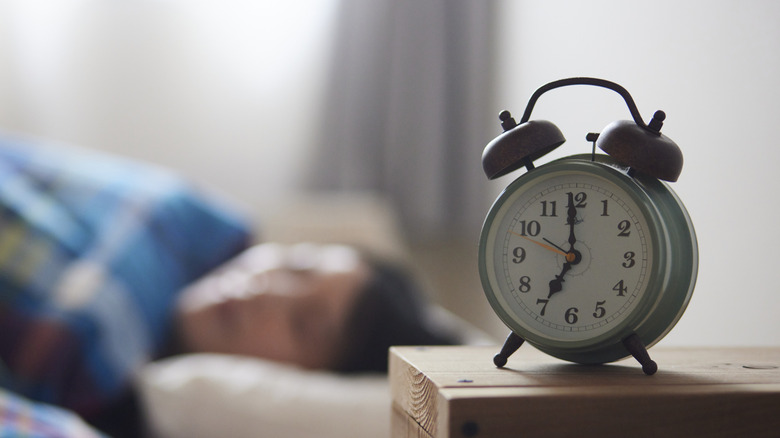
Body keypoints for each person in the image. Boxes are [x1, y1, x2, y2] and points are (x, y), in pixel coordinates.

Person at [0, 135, 457, 437]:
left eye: (303, 324)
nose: (266, 293)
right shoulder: (179, 217)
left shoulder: (97, 384)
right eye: (295, 266)